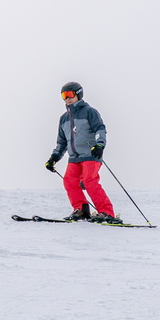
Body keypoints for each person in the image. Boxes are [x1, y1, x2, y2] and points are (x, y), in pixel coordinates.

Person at [45, 81, 120, 224]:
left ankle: (106, 212)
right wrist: (54, 158)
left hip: (91, 154)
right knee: (69, 181)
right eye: (64, 95)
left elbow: (100, 129)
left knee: (89, 180)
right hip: (74, 157)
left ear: (78, 94)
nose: (67, 98)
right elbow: (61, 142)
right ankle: (81, 209)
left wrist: (99, 145)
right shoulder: (64, 118)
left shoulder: (89, 112)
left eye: (70, 94)